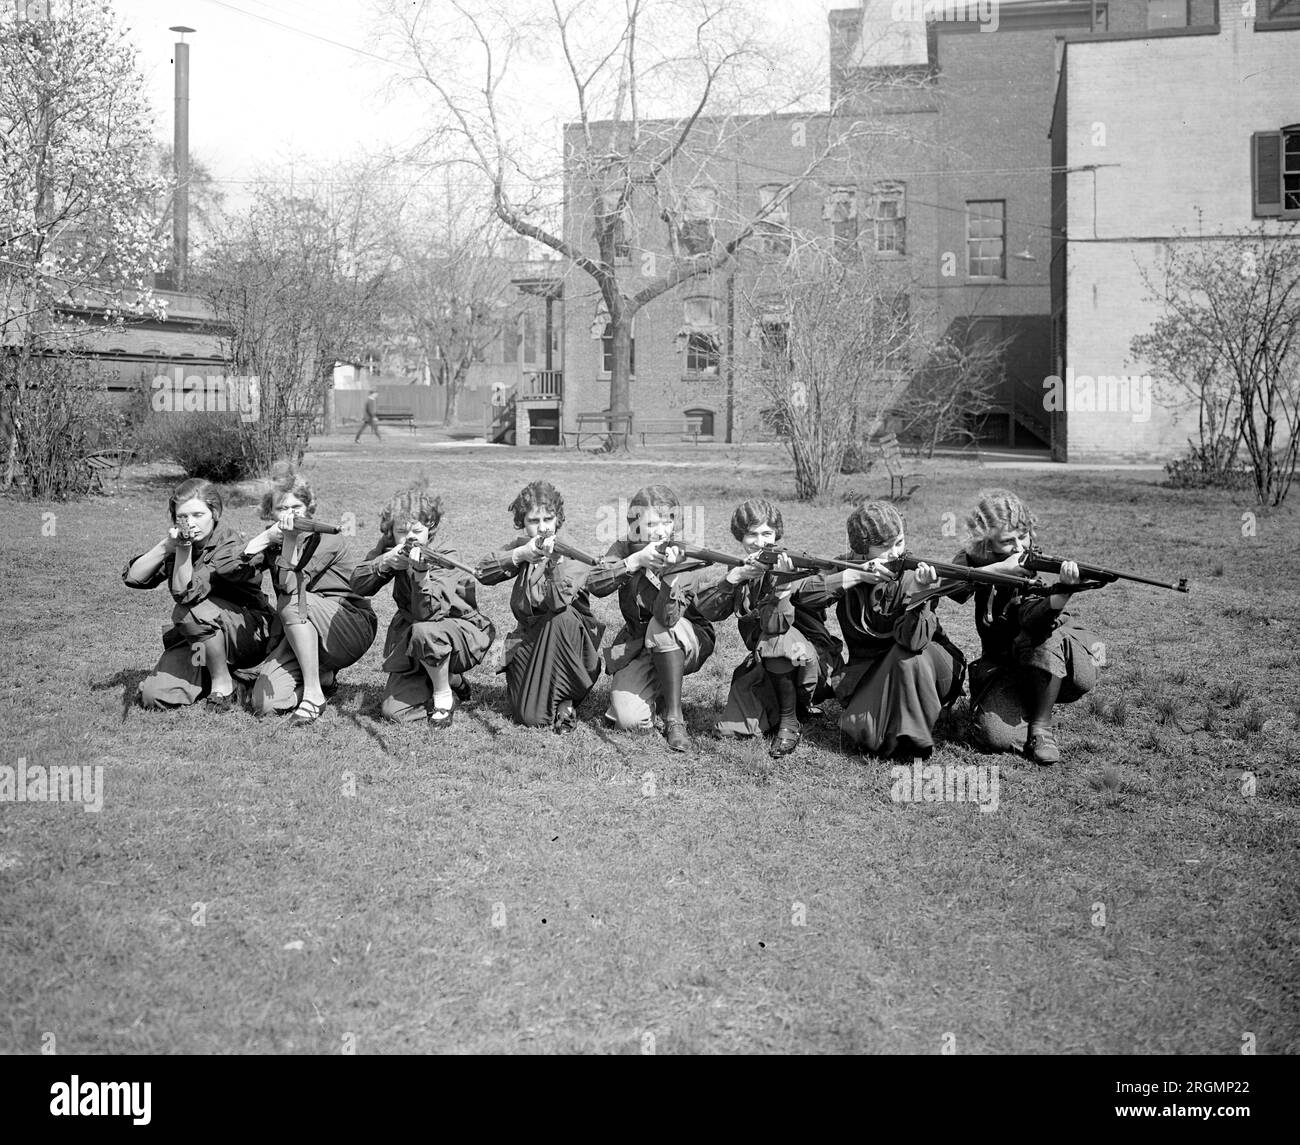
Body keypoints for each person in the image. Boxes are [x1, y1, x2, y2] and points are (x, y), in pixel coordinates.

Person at [950, 488, 1096, 765]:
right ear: (985, 545)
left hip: (1045, 648)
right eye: (1007, 541)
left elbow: (1032, 618)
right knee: (994, 738)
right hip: (1003, 665)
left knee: (1044, 636)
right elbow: (950, 586)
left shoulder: (1031, 571)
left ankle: (1041, 728)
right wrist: (994, 571)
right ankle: (1031, 705)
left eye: (1023, 536)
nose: (1019, 547)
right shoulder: (980, 560)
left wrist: (1058, 597)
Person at [695, 498, 849, 757]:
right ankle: (797, 709)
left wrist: (783, 586)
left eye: (766, 533)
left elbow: (778, 624)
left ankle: (790, 721)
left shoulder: (797, 566)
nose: (759, 541)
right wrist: (734, 578)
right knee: (731, 728)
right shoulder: (742, 568)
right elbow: (708, 610)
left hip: (811, 660)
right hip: (766, 661)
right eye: (751, 534)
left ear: (777, 533)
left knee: (776, 636)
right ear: (740, 537)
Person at [235, 470, 378, 725]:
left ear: (309, 507)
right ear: (271, 512)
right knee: (265, 703)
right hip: (300, 625)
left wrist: (289, 541)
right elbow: (233, 571)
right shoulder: (272, 538)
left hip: (347, 624)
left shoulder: (328, 537)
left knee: (290, 602)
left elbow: (290, 588)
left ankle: (313, 694)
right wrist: (264, 539)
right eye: (282, 508)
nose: (291, 514)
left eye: (297, 506)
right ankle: (322, 680)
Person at [827, 502, 965, 760]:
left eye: (899, 542)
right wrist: (854, 577)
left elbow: (914, 641)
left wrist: (921, 593)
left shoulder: (915, 572)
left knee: (906, 655)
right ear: (860, 549)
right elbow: (804, 595)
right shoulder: (847, 566)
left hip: (927, 667)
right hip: (871, 673)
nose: (894, 553)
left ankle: (912, 739)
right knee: (859, 734)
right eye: (883, 546)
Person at [350, 485, 495, 727]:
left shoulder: (445, 551)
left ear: (430, 527)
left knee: (424, 629)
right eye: (401, 531)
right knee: (393, 711)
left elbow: (428, 613)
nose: (410, 537)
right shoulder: (389, 547)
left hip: (454, 631)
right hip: (413, 636)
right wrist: (385, 563)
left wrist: (420, 575)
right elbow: (357, 583)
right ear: (392, 533)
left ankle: (443, 695)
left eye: (417, 530)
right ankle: (449, 677)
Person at [123, 477, 272, 710]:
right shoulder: (181, 544)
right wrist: (167, 546)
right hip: (200, 640)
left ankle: (224, 685)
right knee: (153, 696)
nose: (190, 523)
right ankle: (235, 679)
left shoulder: (227, 542)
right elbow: (134, 577)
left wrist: (182, 549)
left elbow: (187, 595)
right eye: (183, 517)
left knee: (190, 611)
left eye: (198, 515)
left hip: (247, 634)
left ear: (214, 512)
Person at [586, 485, 716, 752]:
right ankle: (658, 686)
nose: (661, 530)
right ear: (635, 525)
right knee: (628, 720)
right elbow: (595, 584)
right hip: (639, 641)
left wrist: (672, 572)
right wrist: (634, 561)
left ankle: (674, 718)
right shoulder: (625, 547)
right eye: (652, 523)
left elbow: (668, 617)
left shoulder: (685, 551)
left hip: (686, 635)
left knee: (661, 627)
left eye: (668, 521)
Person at [475, 480, 603, 731]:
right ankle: (546, 693)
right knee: (530, 716)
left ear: (558, 519)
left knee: (560, 616)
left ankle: (567, 699)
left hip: (570, 641)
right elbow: (481, 572)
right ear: (523, 522)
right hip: (531, 637)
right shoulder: (525, 546)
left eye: (549, 519)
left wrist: (553, 564)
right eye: (534, 521)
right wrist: (519, 555)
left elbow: (557, 601)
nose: (543, 527)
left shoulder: (572, 552)